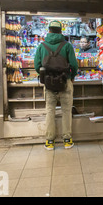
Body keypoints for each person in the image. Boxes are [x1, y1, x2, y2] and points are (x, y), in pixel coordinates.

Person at [34, 20, 78, 151]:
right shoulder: (67, 46)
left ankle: (49, 141)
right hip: (65, 82)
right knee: (66, 111)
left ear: (49, 30)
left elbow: (37, 66)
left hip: (48, 84)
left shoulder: (42, 46)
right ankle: (67, 140)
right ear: (61, 31)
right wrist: (71, 76)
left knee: (50, 111)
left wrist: (47, 76)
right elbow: (74, 65)